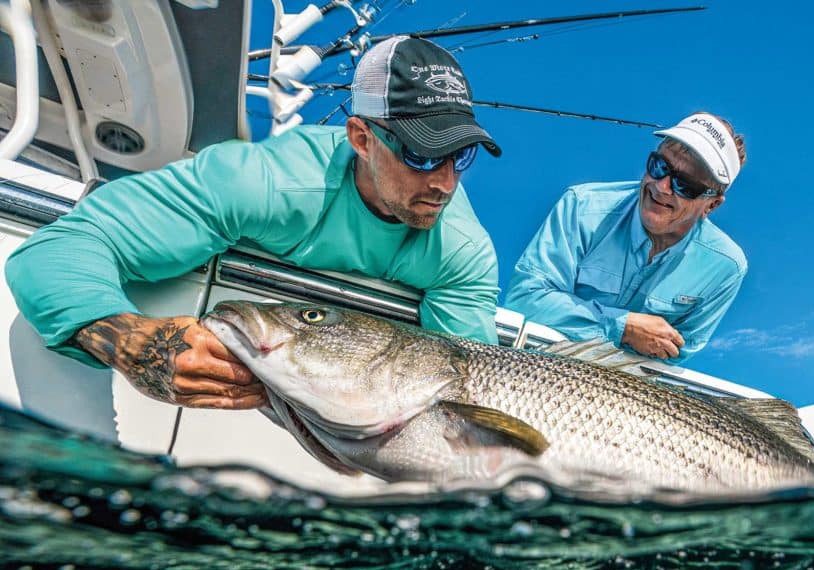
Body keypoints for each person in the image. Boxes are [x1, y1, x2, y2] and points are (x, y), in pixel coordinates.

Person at [4, 35, 502, 410]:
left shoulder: (463, 251)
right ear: (361, 138)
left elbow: (479, 389)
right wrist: (133, 341)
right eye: (420, 154)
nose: (444, 182)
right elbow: (56, 249)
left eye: (460, 157)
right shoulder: (264, 183)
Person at [505, 112, 747, 363]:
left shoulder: (727, 267)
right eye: (659, 167)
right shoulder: (581, 205)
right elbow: (525, 299)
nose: (662, 187)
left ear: (712, 206)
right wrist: (623, 328)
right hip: (539, 365)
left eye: (685, 185)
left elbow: (675, 355)